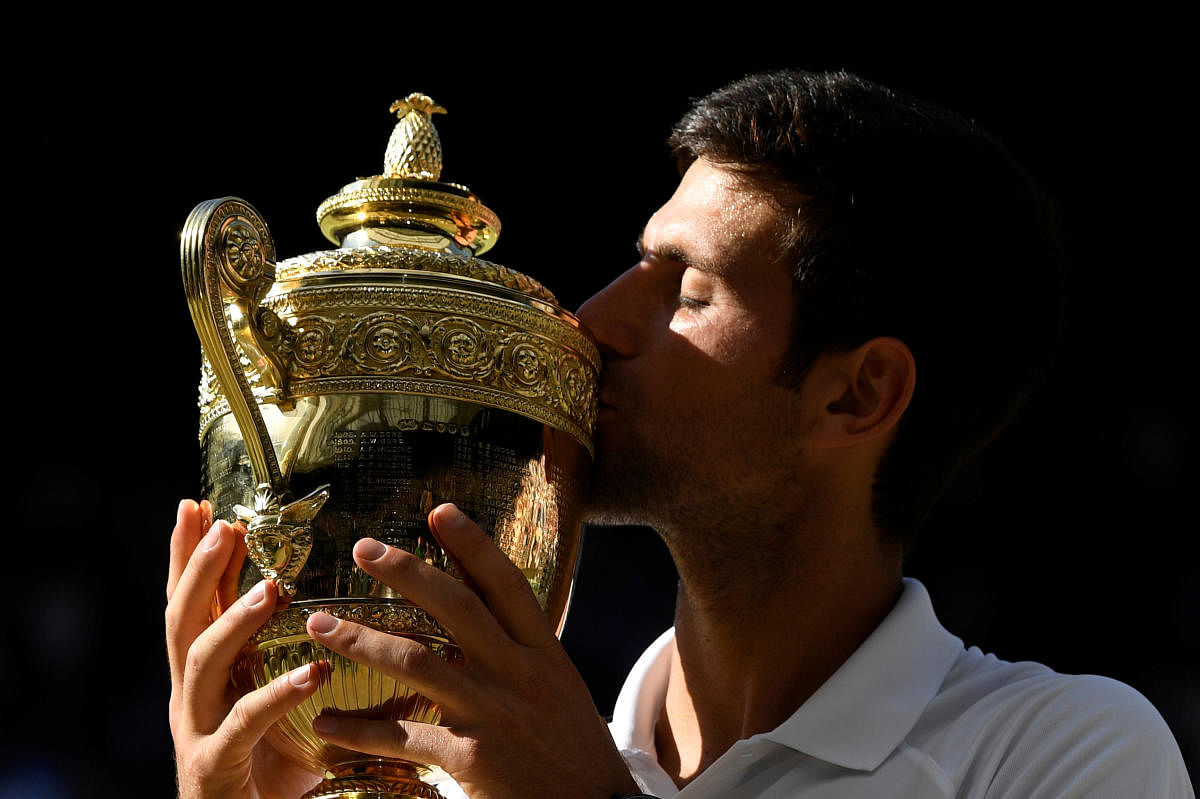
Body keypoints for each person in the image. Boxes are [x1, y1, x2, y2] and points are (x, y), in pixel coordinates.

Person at [166, 71, 1194, 798]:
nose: (593, 322)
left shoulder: (1060, 756)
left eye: (686, 291)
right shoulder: (470, 759)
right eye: (633, 266)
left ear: (858, 394)